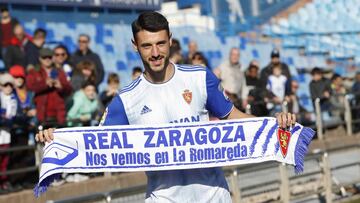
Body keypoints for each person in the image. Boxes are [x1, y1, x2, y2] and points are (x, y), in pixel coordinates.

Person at [35, 11, 296, 203]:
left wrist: (274, 123)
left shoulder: (199, 77)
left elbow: (234, 117)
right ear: (135, 47)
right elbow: (96, 143)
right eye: (147, 46)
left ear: (170, 40)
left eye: (160, 43)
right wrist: (56, 139)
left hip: (214, 196)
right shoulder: (126, 99)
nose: (155, 52)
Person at [26, 48, 72, 128]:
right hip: (41, 114)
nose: (47, 60)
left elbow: (69, 90)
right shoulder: (34, 72)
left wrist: (60, 86)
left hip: (58, 115)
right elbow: (30, 87)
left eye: (49, 57)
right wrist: (45, 84)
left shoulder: (59, 72)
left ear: (53, 58)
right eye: (44, 57)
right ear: (40, 58)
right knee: (41, 139)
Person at [0, 73, 17, 191]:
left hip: (6, 134)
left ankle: (4, 182)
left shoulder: (13, 99)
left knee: (5, 160)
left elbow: (12, 116)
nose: (8, 87)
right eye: (5, 85)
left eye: (10, 85)